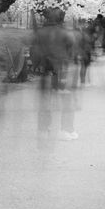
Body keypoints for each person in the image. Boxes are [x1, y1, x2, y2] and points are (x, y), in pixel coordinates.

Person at [33, 7, 78, 139]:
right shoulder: (67, 34)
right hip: (63, 70)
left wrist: (38, 65)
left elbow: (34, 52)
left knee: (45, 101)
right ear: (61, 18)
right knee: (67, 100)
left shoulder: (40, 33)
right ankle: (65, 130)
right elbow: (71, 53)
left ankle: (43, 130)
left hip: (46, 70)